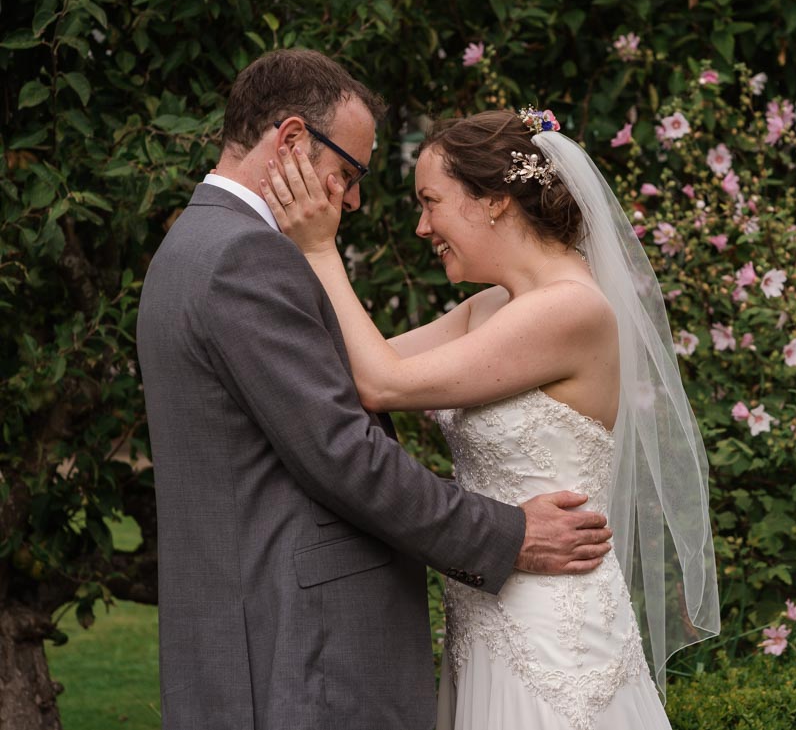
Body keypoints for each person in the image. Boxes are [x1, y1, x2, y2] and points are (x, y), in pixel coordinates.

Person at [136, 50, 614, 730]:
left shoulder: (194, 245)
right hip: (301, 647)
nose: (353, 199)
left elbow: (362, 385)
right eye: (348, 173)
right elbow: (346, 448)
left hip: (285, 635)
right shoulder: (246, 257)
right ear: (294, 141)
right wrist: (506, 534)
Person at [258, 107, 721, 729]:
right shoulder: (491, 309)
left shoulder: (570, 311)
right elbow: (354, 370)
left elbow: (382, 383)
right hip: (488, 614)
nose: (422, 228)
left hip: (553, 629)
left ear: (495, 200)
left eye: (431, 202)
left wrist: (318, 248)